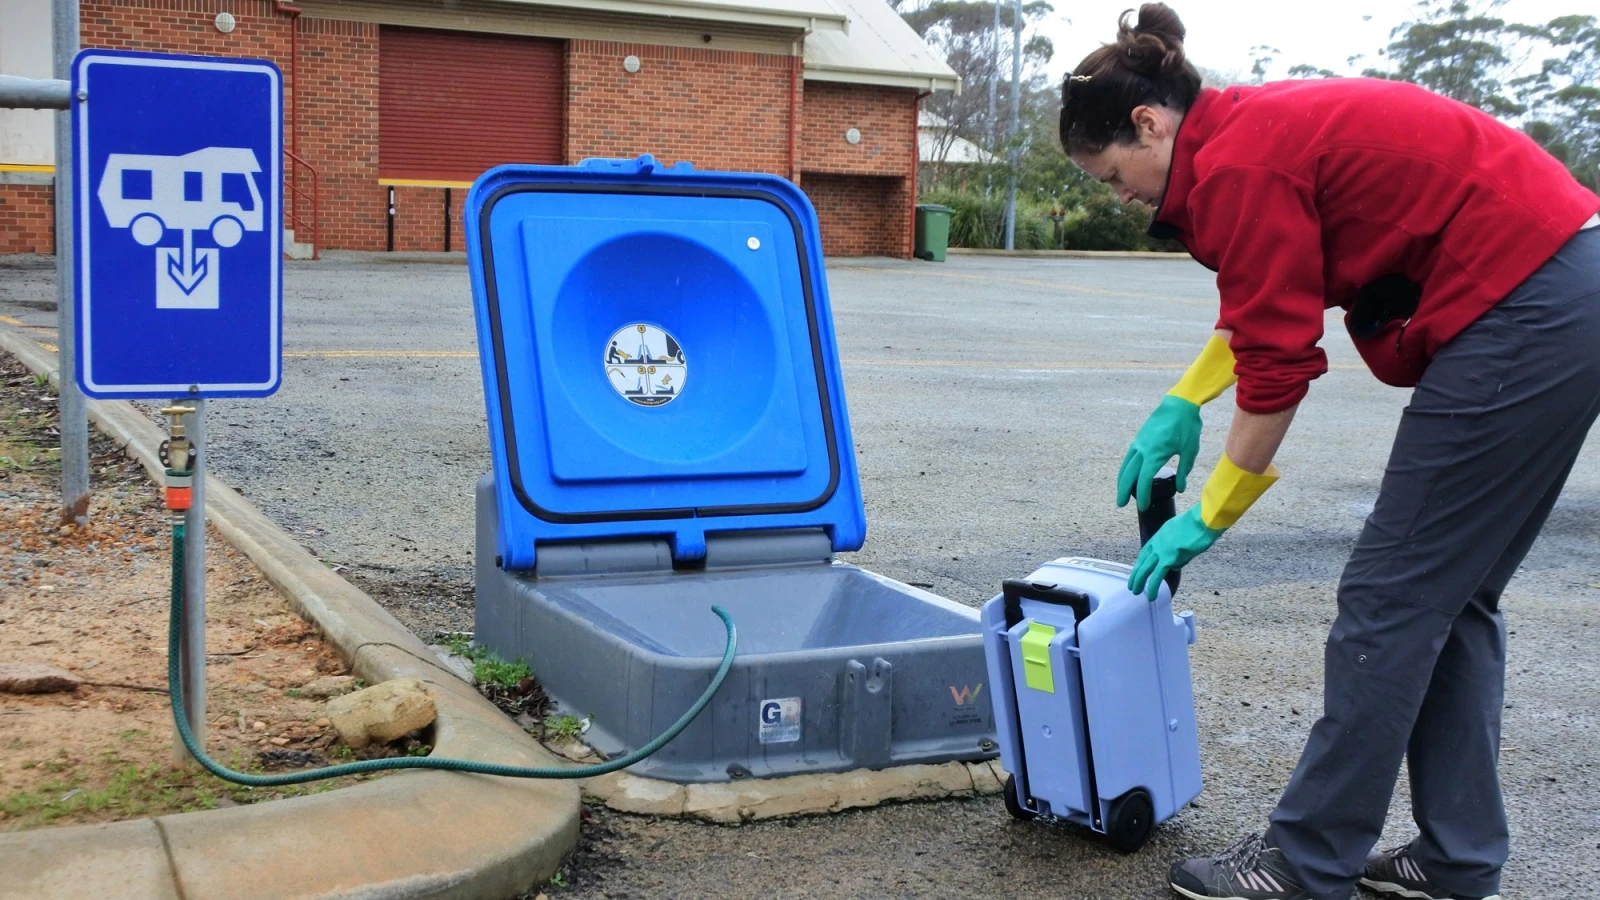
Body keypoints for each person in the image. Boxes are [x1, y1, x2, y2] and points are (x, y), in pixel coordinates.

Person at [1059, 5, 1600, 900]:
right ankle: (1455, 857)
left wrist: (1211, 513)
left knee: (1390, 598)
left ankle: (1305, 863)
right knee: (1451, 596)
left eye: (1114, 174)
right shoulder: (1244, 136)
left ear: (1148, 124)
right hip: (1564, 283)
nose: (1119, 196)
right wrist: (1184, 399)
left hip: (1522, 303)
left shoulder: (1237, 163)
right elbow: (1269, 298)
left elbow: (1278, 368)